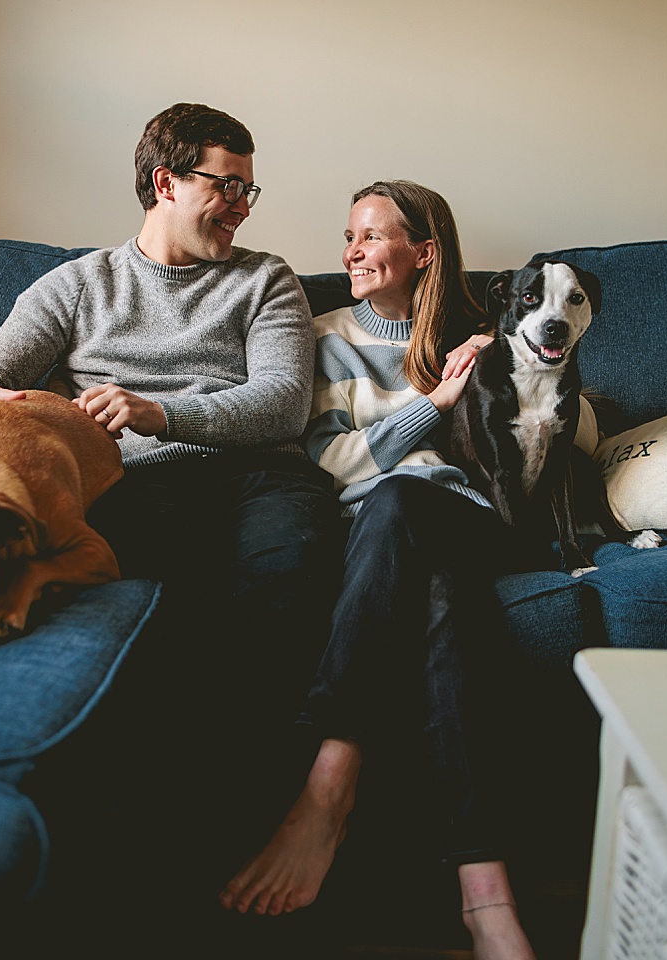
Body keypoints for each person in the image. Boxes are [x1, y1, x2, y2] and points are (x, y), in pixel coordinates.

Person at [0, 102, 340, 904]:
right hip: (134, 483)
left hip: (260, 474)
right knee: (149, 605)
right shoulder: (80, 285)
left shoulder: (265, 279)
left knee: (285, 583)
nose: (242, 207)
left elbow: (284, 403)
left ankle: (259, 821)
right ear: (165, 181)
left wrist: (164, 412)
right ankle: (161, 852)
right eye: (228, 187)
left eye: (250, 193)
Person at [218, 180, 540, 960]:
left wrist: (507, 367)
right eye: (349, 237)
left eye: (369, 237)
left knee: (406, 502)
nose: (350, 253)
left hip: (465, 520)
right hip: (372, 529)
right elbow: (327, 461)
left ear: (422, 253)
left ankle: (328, 788)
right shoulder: (323, 335)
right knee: (429, 582)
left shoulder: (484, 334)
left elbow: (559, 440)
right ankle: (485, 892)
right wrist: (433, 404)